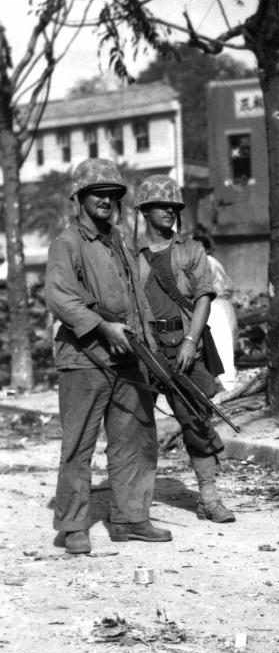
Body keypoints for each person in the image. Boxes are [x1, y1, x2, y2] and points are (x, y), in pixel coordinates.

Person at [45, 158, 170, 554]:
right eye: (98, 193)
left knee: (135, 437)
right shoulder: (68, 243)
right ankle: (74, 526)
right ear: (80, 198)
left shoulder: (120, 241)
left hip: (127, 355)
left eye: (113, 195)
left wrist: (148, 344)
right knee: (79, 444)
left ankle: (131, 518)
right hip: (84, 358)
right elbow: (60, 297)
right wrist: (103, 327)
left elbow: (137, 298)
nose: (107, 200)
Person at [134, 175, 236, 523]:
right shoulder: (131, 257)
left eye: (174, 207)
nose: (170, 211)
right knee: (135, 426)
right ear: (145, 210)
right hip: (144, 350)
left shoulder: (191, 250)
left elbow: (204, 296)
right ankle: (135, 505)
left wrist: (191, 341)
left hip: (184, 344)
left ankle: (208, 497)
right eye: (162, 206)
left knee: (198, 422)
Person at [195, 234, 239, 394]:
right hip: (218, 304)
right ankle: (222, 382)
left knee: (222, 345)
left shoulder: (207, 261)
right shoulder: (207, 262)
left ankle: (228, 385)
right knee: (220, 344)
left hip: (216, 305)